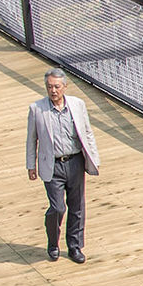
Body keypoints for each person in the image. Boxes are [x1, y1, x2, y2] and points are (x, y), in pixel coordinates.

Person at [23, 70, 100, 263]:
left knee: (77, 206)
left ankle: (74, 246)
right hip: (53, 165)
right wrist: (30, 165)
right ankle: (53, 243)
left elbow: (87, 132)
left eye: (57, 86)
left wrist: (94, 158)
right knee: (57, 207)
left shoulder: (77, 105)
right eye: (49, 86)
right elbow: (31, 139)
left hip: (75, 161)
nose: (53, 90)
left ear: (65, 87)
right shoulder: (36, 109)